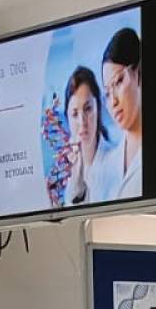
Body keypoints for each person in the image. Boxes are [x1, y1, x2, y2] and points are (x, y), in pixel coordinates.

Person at [63, 66, 120, 207]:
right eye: (74, 114)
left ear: (98, 109)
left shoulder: (117, 160)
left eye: (88, 109)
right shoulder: (69, 177)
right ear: (67, 118)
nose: (82, 121)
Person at [102, 27, 143, 200]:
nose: (113, 101)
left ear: (138, 73)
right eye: (107, 93)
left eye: (118, 82)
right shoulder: (107, 164)